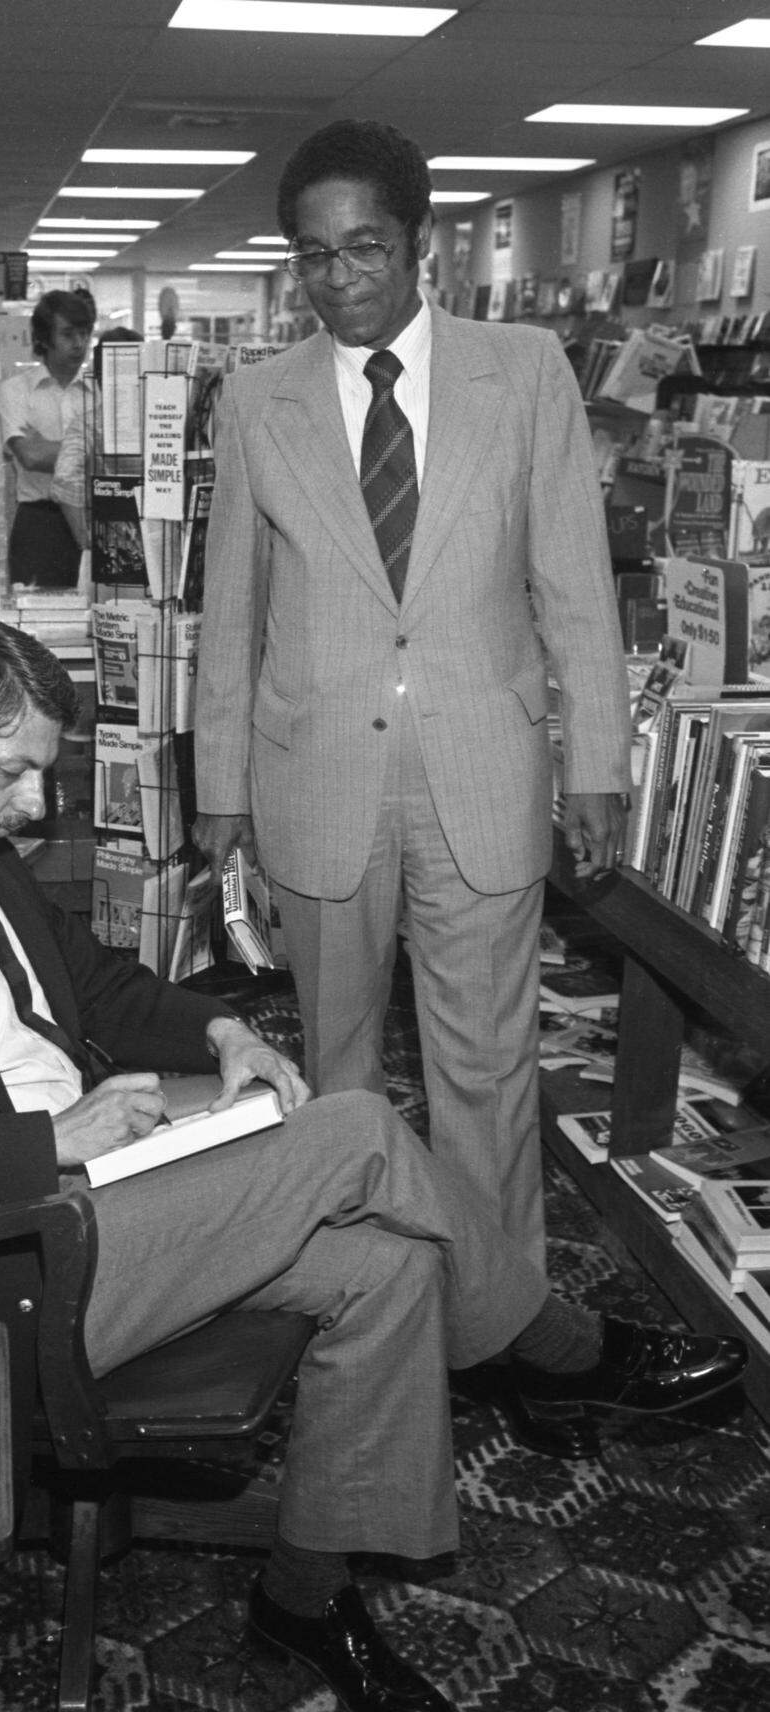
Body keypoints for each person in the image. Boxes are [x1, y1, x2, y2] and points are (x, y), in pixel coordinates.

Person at [0, 620, 743, 1712]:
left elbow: (99, 986)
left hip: (98, 1195)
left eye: (44, 774)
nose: (34, 803)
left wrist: (223, 1031)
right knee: (357, 1127)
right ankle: (562, 1349)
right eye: (11, 770)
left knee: (391, 1270)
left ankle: (305, 1591)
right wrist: (54, 1140)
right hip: (9, 1263)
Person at [193, 119, 633, 1282]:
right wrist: (220, 788)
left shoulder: (525, 371)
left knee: (486, 1070)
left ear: (421, 240)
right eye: (314, 254)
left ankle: (498, 1312)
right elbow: (230, 610)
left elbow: (576, 584)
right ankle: (363, 1296)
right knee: (337, 1068)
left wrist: (597, 761)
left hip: (481, 770)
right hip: (315, 774)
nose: (339, 277)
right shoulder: (256, 399)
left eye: (366, 247)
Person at [0, 289, 95, 588]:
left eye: (84, 333)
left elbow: (114, 459)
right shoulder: (16, 391)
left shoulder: (100, 392)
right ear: (43, 338)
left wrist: (48, 448)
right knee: (34, 610)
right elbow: (30, 456)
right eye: (68, 334)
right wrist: (89, 451)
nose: (79, 343)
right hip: (39, 524)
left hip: (92, 519)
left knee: (98, 606)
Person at [50, 324, 144, 554]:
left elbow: (65, 480)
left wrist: (89, 543)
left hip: (110, 547)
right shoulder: (165, 422)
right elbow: (65, 480)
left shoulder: (88, 423)